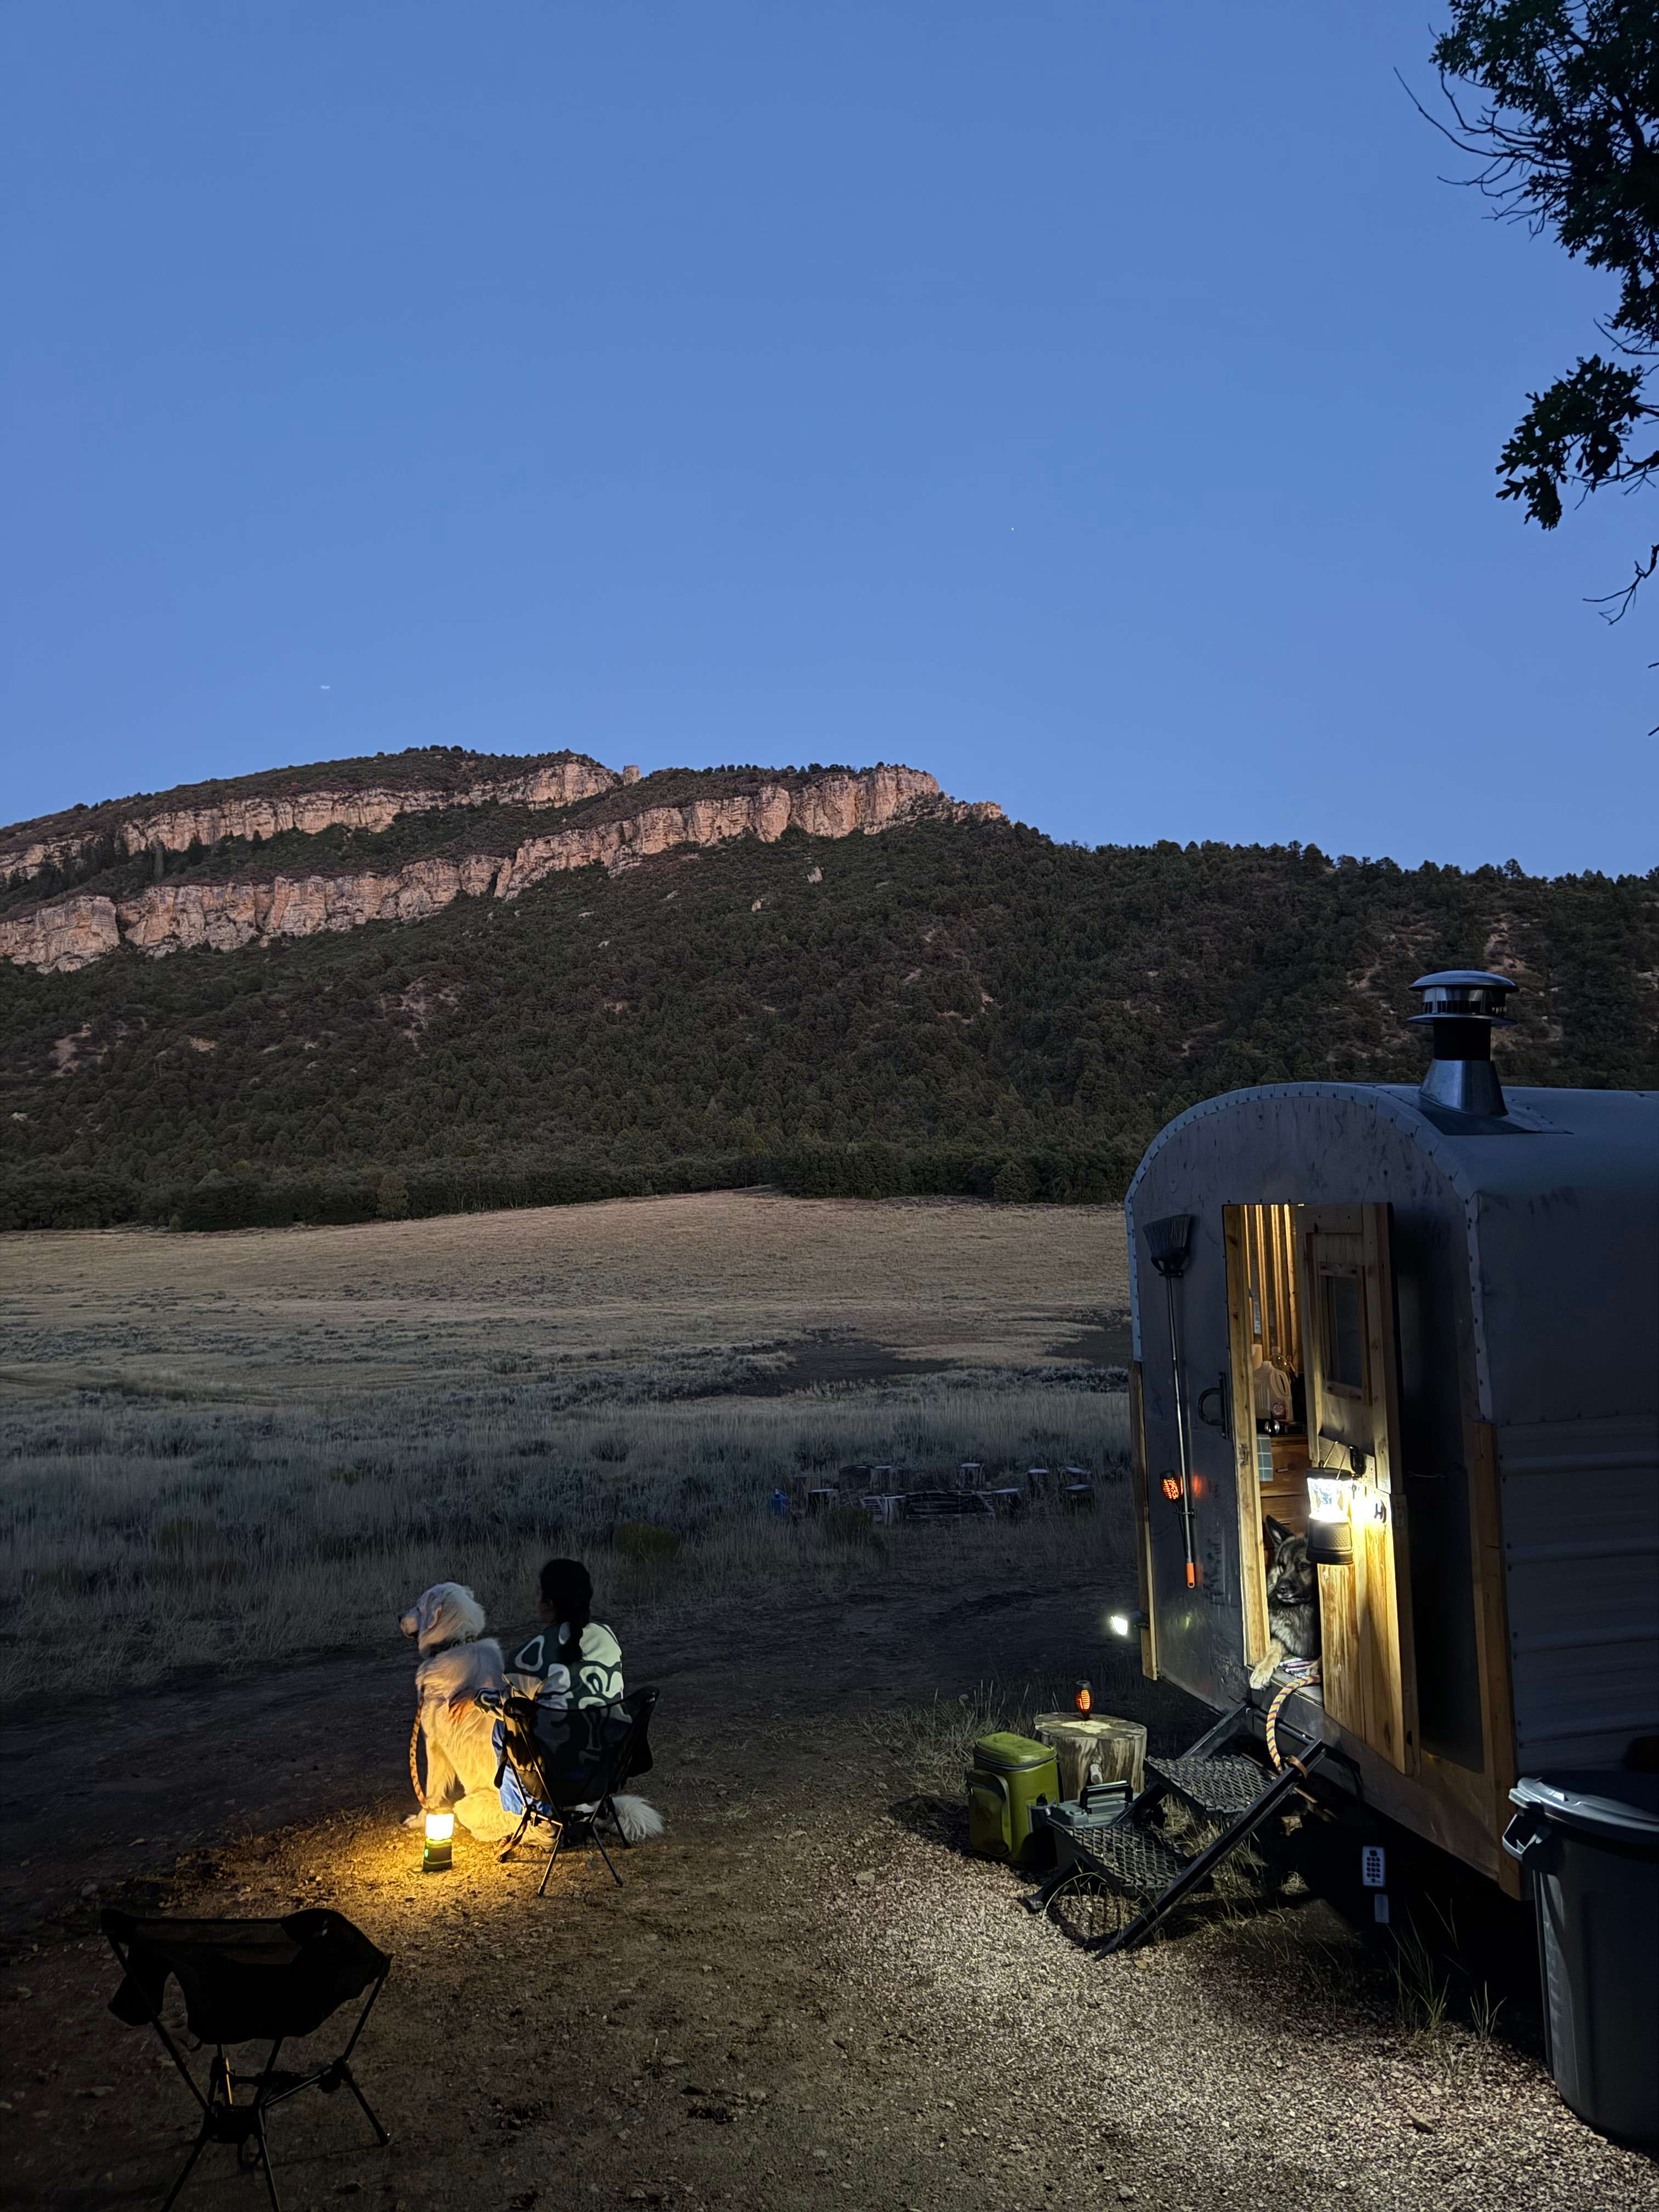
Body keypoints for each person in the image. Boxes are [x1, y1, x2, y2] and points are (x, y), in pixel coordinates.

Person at [505, 1557, 624, 1714]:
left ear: (549, 1603)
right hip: (613, 1736)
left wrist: (479, 1697)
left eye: (538, 1592)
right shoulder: (608, 1635)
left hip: (558, 1737)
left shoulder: (530, 1655)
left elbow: (509, 1702)